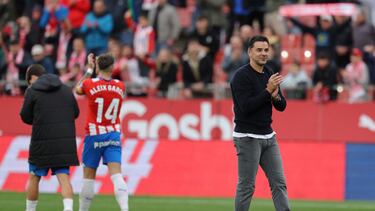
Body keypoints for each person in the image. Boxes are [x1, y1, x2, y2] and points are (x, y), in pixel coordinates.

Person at [230, 35, 290, 211]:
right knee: (246, 187)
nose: (263, 53)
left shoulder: (269, 73)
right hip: (247, 137)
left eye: (266, 50)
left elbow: (281, 106)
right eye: (259, 50)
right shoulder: (240, 76)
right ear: (250, 52)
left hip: (268, 136)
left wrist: (275, 95)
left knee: (279, 183)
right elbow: (246, 107)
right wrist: (268, 91)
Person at [20, 64, 80, 211]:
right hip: (64, 142)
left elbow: (25, 117)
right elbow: (76, 113)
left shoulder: (32, 91)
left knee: (34, 177)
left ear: (31, 79)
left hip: (41, 142)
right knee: (64, 177)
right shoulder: (66, 89)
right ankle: (68, 209)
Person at [75, 53, 128, 211]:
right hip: (113, 134)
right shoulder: (120, 85)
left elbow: (77, 90)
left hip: (94, 135)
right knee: (117, 175)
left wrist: (89, 70)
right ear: (112, 67)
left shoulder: (90, 84)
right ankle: (125, 209)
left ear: (98, 66)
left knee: (89, 177)